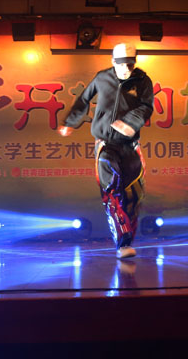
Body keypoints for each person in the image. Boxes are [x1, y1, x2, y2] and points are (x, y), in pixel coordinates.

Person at [59, 43, 154, 259]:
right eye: (121, 65)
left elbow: (147, 106)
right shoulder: (102, 78)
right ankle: (123, 244)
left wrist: (130, 122)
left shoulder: (142, 81)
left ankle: (128, 240)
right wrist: (70, 122)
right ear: (113, 62)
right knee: (112, 190)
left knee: (134, 195)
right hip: (105, 145)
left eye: (130, 65)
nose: (126, 69)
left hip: (130, 146)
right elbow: (84, 99)